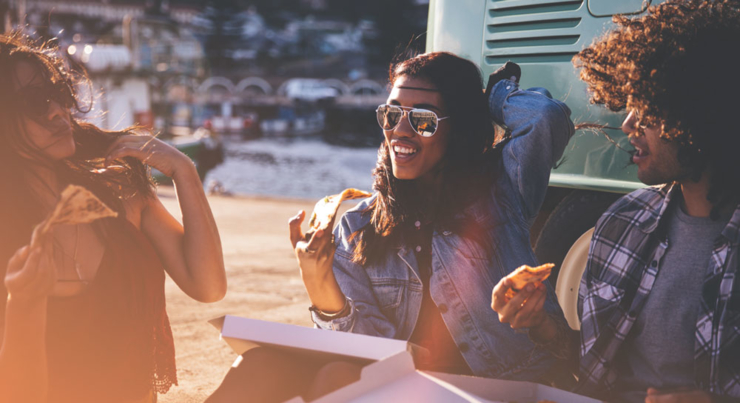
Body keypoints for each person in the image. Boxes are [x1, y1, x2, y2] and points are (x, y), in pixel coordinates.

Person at [210, 52, 575, 402]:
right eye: (391, 114)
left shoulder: (502, 190)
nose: (400, 131)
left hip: (498, 389)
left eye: (423, 119)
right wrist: (318, 282)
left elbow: (544, 117)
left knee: (333, 379)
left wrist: (492, 96)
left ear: (459, 128)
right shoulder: (358, 224)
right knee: (265, 366)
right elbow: (367, 352)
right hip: (409, 390)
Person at [491, 1, 740, 402]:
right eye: (630, 104)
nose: (627, 124)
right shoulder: (622, 222)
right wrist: (540, 324)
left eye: (649, 108)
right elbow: (594, 370)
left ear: (705, 113)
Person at [0, 34, 227, 402]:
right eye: (36, 102)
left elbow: (209, 286)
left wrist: (184, 171)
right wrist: (24, 304)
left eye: (59, 94)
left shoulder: (123, 192)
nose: (59, 111)